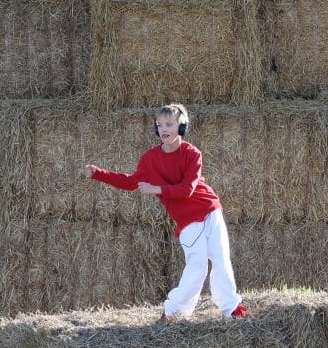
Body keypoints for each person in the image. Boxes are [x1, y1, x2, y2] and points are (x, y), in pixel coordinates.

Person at [84, 103, 247, 322]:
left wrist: (157, 189)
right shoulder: (150, 159)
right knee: (197, 267)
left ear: (181, 126)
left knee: (221, 260)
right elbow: (131, 181)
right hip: (187, 220)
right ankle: (173, 312)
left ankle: (232, 308)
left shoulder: (192, 153)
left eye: (169, 124)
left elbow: (187, 189)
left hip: (209, 209)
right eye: (159, 125)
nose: (163, 129)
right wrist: (98, 174)